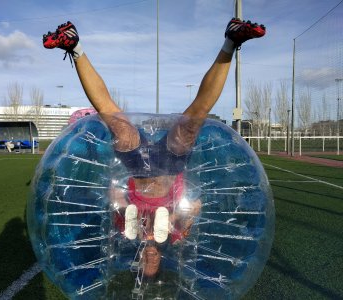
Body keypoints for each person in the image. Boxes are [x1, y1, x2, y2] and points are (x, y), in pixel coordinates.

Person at [43, 18, 266, 277]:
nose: (149, 259)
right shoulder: (175, 238)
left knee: (114, 120)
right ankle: (232, 40)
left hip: (136, 168)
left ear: (137, 261)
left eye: (144, 264)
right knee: (195, 119)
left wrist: (129, 214)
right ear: (160, 260)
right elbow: (195, 206)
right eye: (153, 264)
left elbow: (114, 194)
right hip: (170, 167)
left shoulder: (127, 233)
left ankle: (74, 44)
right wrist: (174, 221)